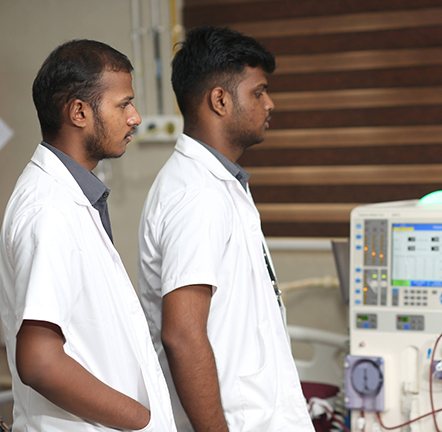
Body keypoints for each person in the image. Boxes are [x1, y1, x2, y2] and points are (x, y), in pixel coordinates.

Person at [138, 26, 314, 432]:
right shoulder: (196, 194)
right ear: (220, 100)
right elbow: (182, 335)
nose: (269, 104)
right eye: (258, 93)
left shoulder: (218, 183)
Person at [0, 40, 176, 431]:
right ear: (79, 112)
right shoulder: (48, 209)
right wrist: (141, 420)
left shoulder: (70, 198)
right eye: (123, 104)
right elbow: (39, 362)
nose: (135, 118)